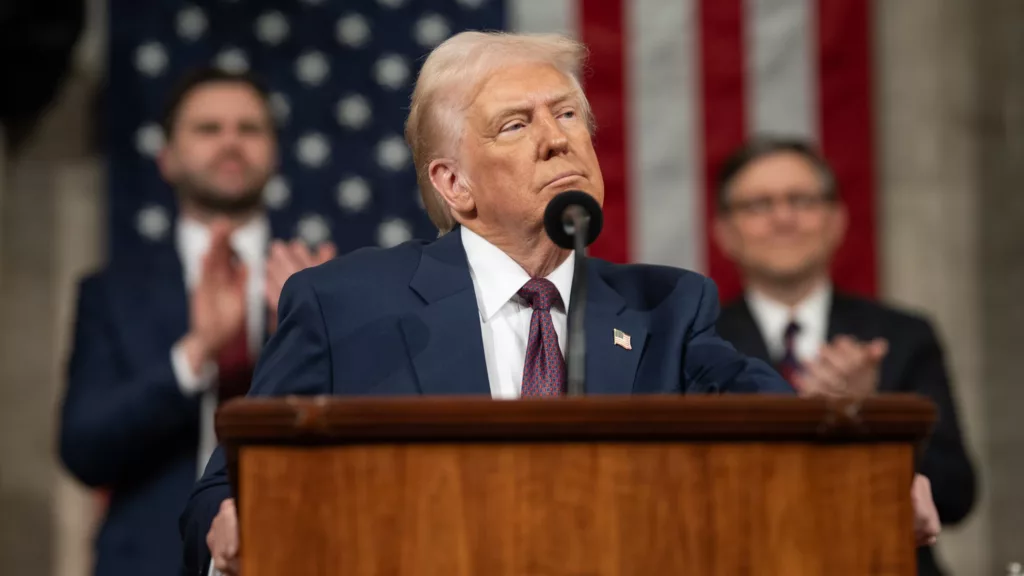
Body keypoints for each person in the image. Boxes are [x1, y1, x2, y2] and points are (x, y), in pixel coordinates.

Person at [178, 33, 938, 576]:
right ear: (453, 185)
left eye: (568, 116)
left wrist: (862, 474)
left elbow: (774, 422)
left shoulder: (668, 308)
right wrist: (237, 522)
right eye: (517, 125)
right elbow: (225, 486)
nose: (556, 140)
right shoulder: (347, 302)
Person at [57, 67, 335, 576]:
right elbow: (83, 449)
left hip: (303, 548)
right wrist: (197, 351)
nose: (231, 143)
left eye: (249, 129)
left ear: (273, 153)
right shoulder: (111, 293)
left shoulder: (322, 278)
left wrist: (309, 333)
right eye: (208, 129)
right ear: (167, 158)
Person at [712, 136, 976, 576]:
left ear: (837, 221)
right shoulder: (696, 341)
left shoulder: (903, 337)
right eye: (759, 205)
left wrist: (869, 416)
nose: (784, 218)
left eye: (802, 200)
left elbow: (956, 493)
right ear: (724, 232)